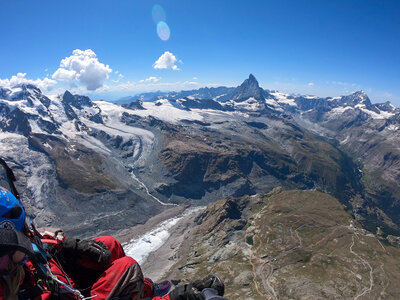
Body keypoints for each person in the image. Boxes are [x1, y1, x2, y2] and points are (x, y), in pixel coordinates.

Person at [0, 188, 226, 300]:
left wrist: (66, 243)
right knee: (126, 269)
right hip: (54, 291)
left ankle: (146, 291)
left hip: (50, 276)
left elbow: (35, 239)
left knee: (110, 246)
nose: (24, 238)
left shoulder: (11, 253)